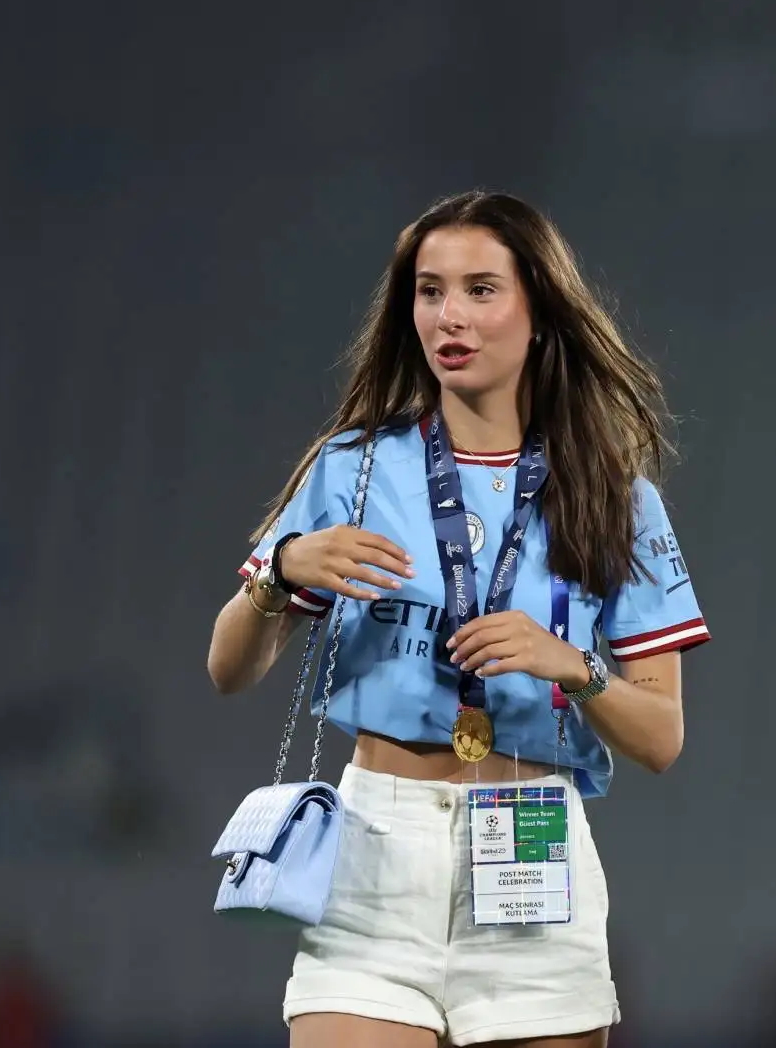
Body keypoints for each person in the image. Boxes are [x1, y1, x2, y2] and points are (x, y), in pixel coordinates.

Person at [207, 190, 710, 1048]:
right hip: (373, 851)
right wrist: (281, 574)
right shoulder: (353, 468)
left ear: (539, 312)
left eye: (482, 290)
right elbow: (229, 669)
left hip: (531, 850)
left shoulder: (614, 498)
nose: (452, 315)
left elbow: (662, 738)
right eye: (431, 291)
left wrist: (574, 667)